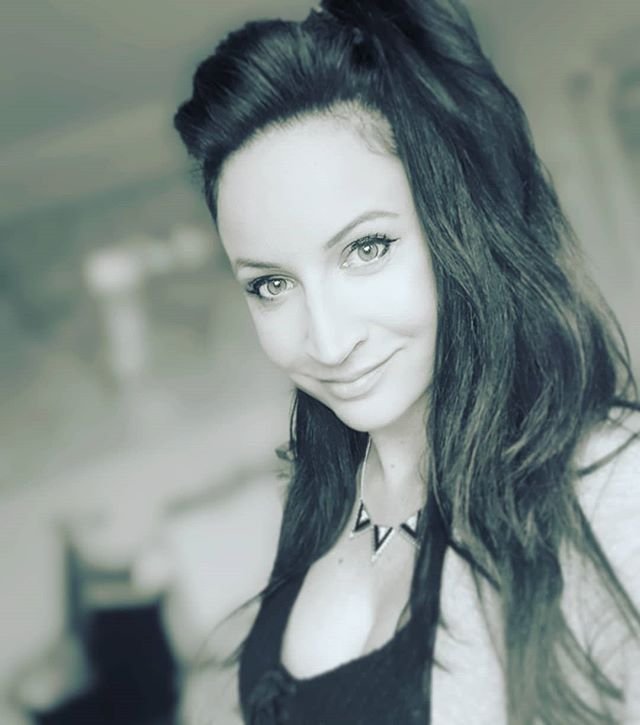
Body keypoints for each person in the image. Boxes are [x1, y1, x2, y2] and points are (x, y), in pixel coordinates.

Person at [173, 1, 640, 722]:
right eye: (271, 285)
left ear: (459, 228)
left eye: (366, 248)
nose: (328, 341)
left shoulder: (610, 485)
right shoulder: (325, 493)